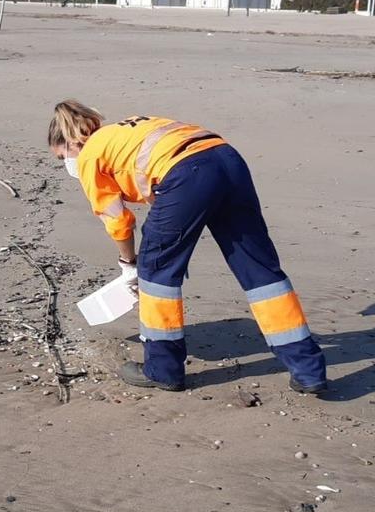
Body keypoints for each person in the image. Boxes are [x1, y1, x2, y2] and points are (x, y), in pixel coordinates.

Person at [47, 100, 328, 394]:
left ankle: (162, 369)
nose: (66, 164)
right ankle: (308, 369)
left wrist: (129, 265)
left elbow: (116, 220)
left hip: (186, 172)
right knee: (259, 269)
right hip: (227, 159)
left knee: (156, 272)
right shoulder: (127, 128)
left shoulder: (90, 154)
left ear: (71, 142)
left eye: (61, 157)